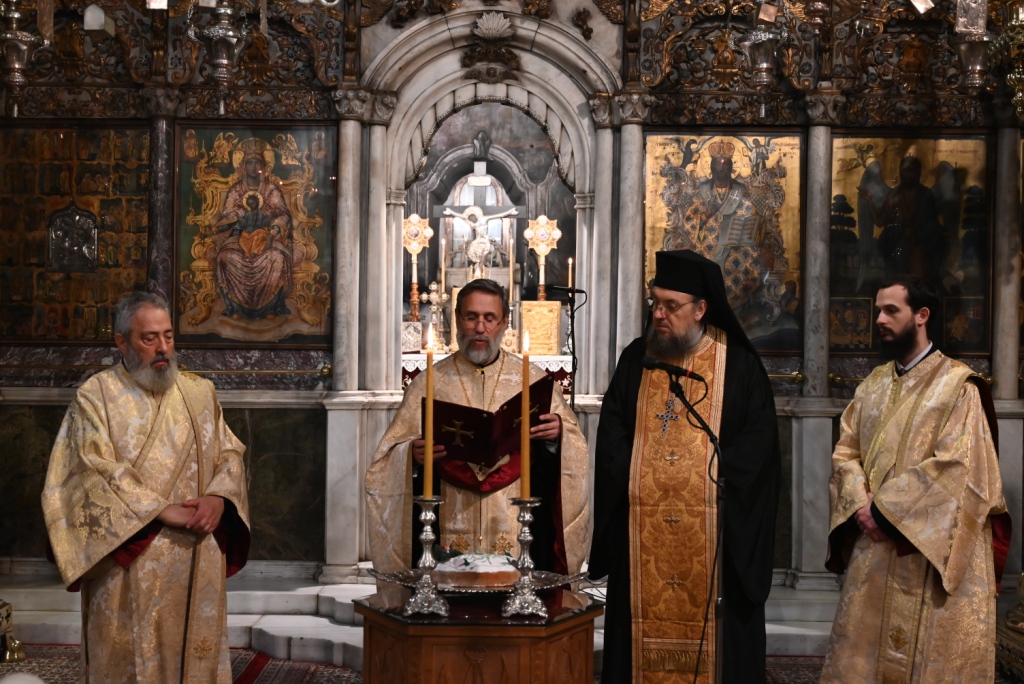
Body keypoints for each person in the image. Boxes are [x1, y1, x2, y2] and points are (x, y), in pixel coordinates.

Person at [41, 291, 250, 684]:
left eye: (168, 336)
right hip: (129, 556)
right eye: (149, 338)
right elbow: (88, 468)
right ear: (122, 342)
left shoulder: (199, 393)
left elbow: (229, 452)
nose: (163, 348)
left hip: (196, 552)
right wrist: (158, 509)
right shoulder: (96, 396)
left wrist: (220, 498)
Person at [591, 250, 780, 683]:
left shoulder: (739, 365)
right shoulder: (637, 358)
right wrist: (643, 468)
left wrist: (702, 471)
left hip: (715, 539)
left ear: (700, 309)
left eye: (671, 306)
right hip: (642, 533)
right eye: (655, 302)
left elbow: (759, 447)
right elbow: (613, 432)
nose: (659, 314)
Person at [821, 275, 1010, 683]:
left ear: (922, 315)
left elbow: (960, 468)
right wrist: (860, 505)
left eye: (891, 310)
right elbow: (845, 452)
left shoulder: (958, 387)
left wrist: (884, 513)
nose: (879, 319)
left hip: (928, 555)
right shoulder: (871, 386)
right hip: (874, 548)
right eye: (878, 311)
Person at [365, 278, 589, 575]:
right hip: (446, 520)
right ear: (457, 319)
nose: (480, 328)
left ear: (505, 322)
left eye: (489, 318)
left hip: (517, 522)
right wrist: (411, 455)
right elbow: (385, 460)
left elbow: (575, 448)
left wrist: (557, 435)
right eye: (471, 317)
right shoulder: (429, 383)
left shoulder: (532, 380)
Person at [214, 137, 293, 320]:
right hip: (239, 239)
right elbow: (227, 216)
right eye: (249, 162)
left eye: (257, 162)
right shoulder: (236, 191)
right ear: (242, 165)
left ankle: (270, 307)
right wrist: (237, 217)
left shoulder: (271, 190)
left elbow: (282, 214)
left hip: (267, 239)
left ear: (264, 166)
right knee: (226, 258)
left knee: (277, 259)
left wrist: (273, 231)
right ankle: (235, 307)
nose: (253, 166)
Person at [680, 142, 763, 309]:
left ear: (731, 168)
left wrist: (747, 222)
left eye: (726, 165)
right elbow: (689, 221)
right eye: (717, 164)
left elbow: (751, 215)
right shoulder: (702, 192)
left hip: (734, 249)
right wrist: (704, 217)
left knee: (747, 259)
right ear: (711, 167)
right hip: (706, 249)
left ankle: (736, 309)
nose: (722, 168)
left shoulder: (740, 191)